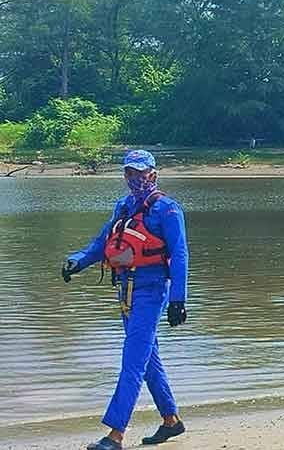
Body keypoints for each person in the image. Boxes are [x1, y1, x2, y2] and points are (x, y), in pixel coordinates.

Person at [61, 150, 188, 450]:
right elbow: (102, 242)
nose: (135, 179)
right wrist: (78, 261)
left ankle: (115, 434)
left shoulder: (168, 210)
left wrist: (178, 299)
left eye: (140, 173)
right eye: (129, 173)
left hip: (152, 290)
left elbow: (180, 255)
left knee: (132, 362)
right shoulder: (124, 206)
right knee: (148, 359)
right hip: (126, 291)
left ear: (153, 174)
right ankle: (171, 421)